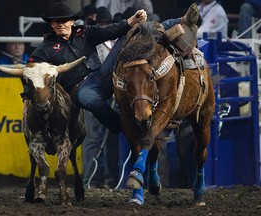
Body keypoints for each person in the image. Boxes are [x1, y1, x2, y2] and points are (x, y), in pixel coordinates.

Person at [27, 0, 199, 136]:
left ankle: (180, 21)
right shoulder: (46, 48)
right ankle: (124, 127)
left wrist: (132, 20)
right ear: (51, 25)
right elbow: (31, 70)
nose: (60, 24)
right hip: (79, 88)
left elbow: (111, 31)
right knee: (93, 102)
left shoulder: (84, 33)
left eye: (64, 20)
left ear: (72, 21)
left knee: (132, 31)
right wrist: (29, 92)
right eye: (56, 22)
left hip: (103, 74)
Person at [82, 7, 119, 189]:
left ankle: (109, 179)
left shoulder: (116, 43)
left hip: (112, 94)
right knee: (94, 138)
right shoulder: (92, 44)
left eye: (107, 24)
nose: (105, 27)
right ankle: (91, 179)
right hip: (95, 93)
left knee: (111, 137)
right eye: (102, 24)